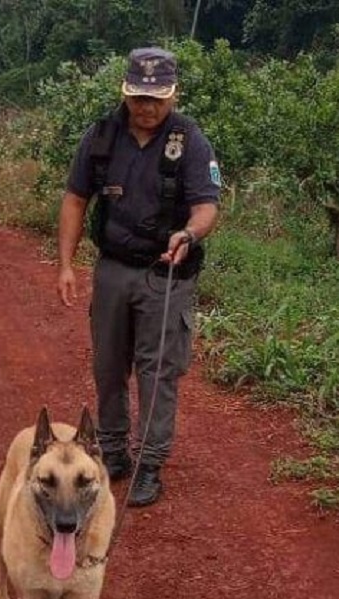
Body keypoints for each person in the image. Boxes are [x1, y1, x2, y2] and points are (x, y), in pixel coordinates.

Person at [56, 47, 221, 507]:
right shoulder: (102, 136)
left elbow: (206, 205)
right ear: (125, 92)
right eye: (138, 98)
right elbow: (75, 199)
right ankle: (113, 452)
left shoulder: (190, 140)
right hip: (112, 267)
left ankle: (149, 463)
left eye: (157, 99)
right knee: (109, 364)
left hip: (165, 272)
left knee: (157, 369)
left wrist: (189, 233)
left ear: (173, 95)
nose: (147, 108)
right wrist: (66, 264)